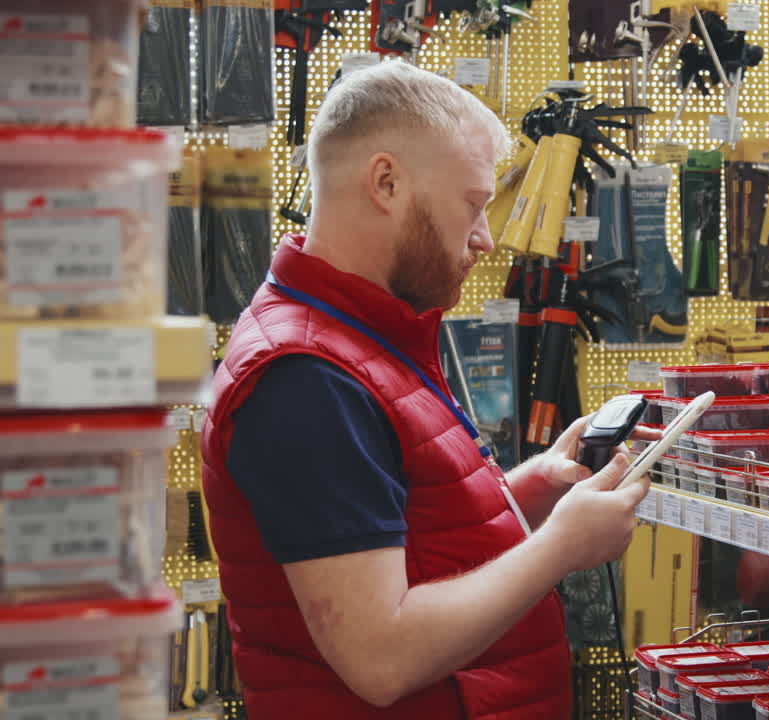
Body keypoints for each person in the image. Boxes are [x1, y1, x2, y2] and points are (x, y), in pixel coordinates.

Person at [201, 60, 652, 719]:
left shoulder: (361, 340)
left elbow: (407, 535)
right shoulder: (305, 379)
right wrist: (562, 548)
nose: (486, 237)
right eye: (472, 204)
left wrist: (530, 495)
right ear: (385, 182)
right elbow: (381, 657)